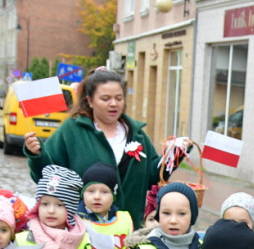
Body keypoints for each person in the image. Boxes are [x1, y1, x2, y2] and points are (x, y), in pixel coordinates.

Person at [24, 68, 164, 230]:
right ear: (90, 101)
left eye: (119, 98)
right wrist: (37, 155)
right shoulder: (72, 130)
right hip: (84, 232)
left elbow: (153, 177)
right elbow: (47, 177)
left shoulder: (137, 134)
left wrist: (172, 157)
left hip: (128, 232)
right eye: (105, 99)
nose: (114, 103)